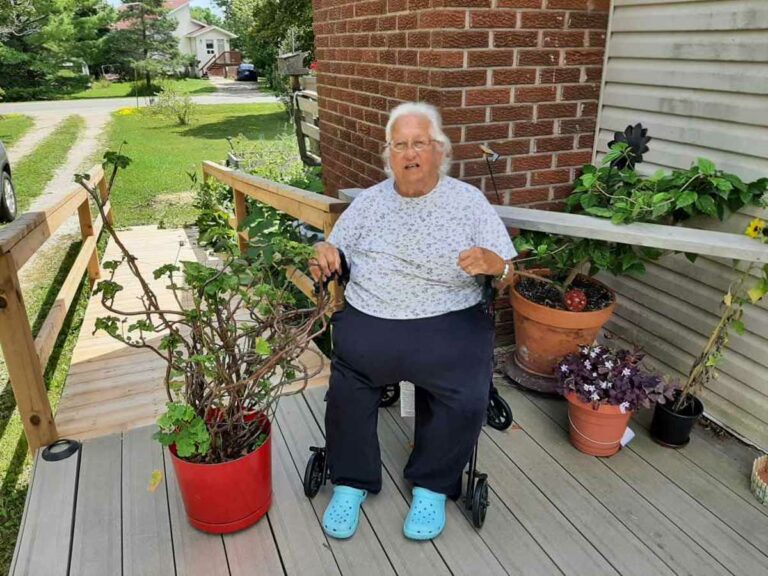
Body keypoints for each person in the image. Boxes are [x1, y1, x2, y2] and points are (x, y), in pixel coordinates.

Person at [309, 102, 516, 541]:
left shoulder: (468, 202)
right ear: (389, 156)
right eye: (399, 145)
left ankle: (432, 485)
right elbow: (335, 253)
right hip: (373, 319)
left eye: (419, 143)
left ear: (440, 150)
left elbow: (507, 273)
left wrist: (494, 263)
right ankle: (350, 481)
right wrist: (326, 256)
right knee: (347, 389)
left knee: (465, 396)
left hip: (448, 319)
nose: (409, 153)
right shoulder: (368, 204)